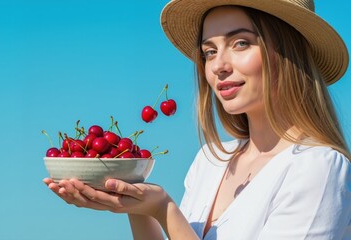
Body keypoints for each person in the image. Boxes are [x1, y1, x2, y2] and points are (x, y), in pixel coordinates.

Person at [43, 0, 351, 239]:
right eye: (210, 51)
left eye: (241, 43)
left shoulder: (317, 168)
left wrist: (165, 210)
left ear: (289, 54)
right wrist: (136, 206)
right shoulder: (210, 161)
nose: (219, 65)